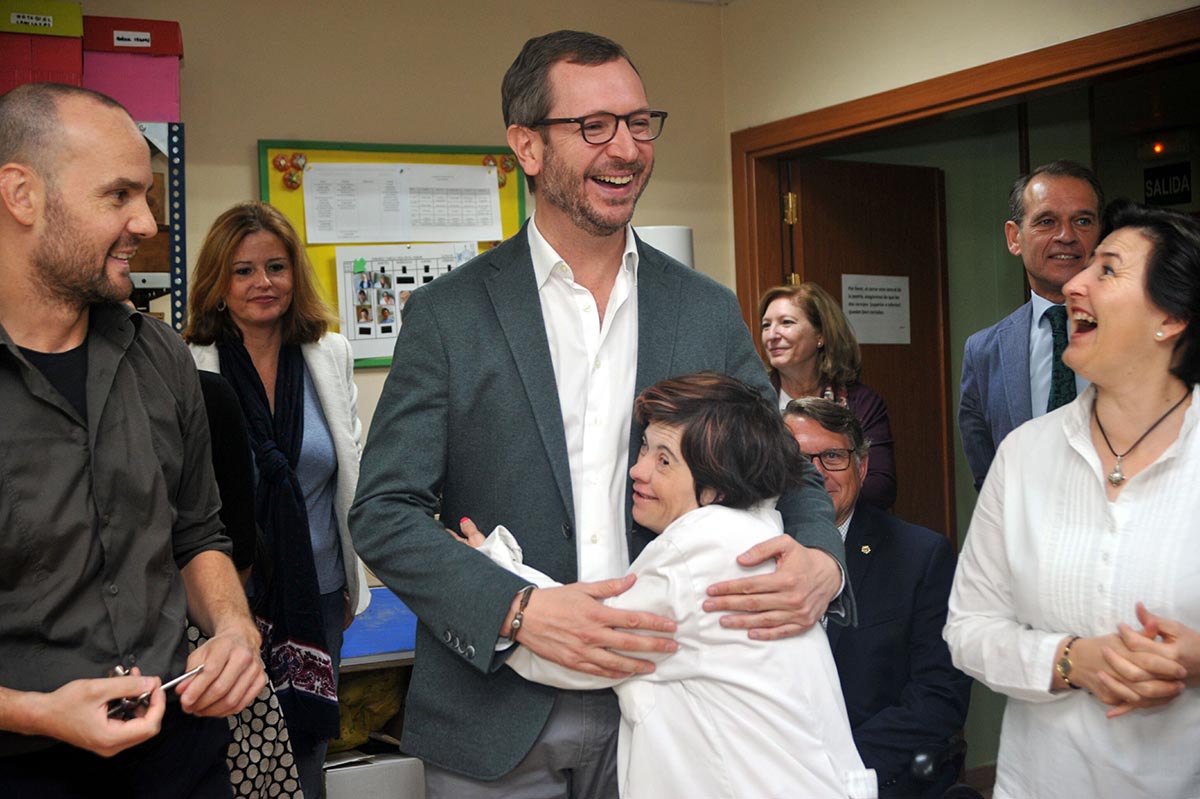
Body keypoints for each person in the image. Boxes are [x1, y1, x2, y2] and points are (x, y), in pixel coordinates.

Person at [350, 29, 849, 798]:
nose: (626, 148)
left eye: (639, 122)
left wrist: (822, 559)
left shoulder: (706, 310)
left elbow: (785, 472)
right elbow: (385, 511)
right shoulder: (448, 315)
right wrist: (516, 609)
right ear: (527, 146)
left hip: (681, 706)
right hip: (498, 717)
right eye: (594, 127)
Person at [0, 83, 265, 796]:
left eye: (146, 195)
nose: (146, 222)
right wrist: (34, 711)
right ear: (21, 195)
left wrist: (235, 628)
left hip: (181, 755)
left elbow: (197, 534)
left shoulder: (162, 357)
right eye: (118, 195)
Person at [456, 374, 876, 799]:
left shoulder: (700, 547)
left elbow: (584, 644)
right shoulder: (752, 534)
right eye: (644, 447)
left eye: (664, 461)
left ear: (715, 487)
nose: (638, 471)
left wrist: (489, 571)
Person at [945, 201, 1200, 798]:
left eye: (1107, 269)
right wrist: (1069, 661)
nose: (1074, 282)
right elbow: (969, 629)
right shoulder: (1025, 454)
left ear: (1171, 318)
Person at [184, 200, 372, 799]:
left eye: (276, 267)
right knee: (232, 749)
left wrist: (347, 581)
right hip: (224, 599)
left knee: (307, 746)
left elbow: (351, 471)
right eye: (242, 271)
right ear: (217, 282)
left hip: (318, 593)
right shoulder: (186, 365)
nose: (263, 283)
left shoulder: (329, 355)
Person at [785, 397, 971, 798]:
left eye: (832, 456)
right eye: (799, 459)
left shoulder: (920, 556)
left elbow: (939, 697)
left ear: (863, 467)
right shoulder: (749, 554)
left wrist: (841, 770)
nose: (815, 474)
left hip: (876, 775)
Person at [958, 160, 1104, 490]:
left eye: (1082, 221)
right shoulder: (984, 352)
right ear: (1014, 238)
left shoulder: (1142, 336)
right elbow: (989, 479)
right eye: (1047, 221)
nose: (1066, 236)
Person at [759, 282, 897, 509]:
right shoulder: (754, 404)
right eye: (766, 325)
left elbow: (880, 487)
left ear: (820, 335)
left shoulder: (860, 402)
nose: (772, 335)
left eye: (786, 323)